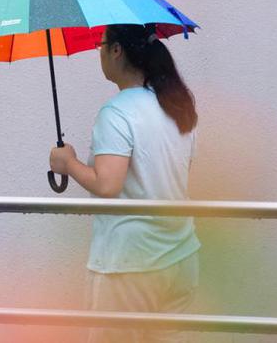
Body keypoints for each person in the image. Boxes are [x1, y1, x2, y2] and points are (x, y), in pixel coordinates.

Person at [49, 23, 200, 343]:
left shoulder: (117, 113)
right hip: (182, 257)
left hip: (130, 267)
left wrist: (68, 164)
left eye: (101, 45)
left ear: (116, 50)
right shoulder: (176, 106)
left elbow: (108, 185)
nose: (99, 53)